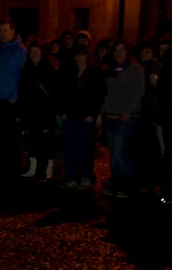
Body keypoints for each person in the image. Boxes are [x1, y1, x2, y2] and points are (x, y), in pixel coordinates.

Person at [101, 40, 145, 197]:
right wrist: (102, 112)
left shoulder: (135, 69)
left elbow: (139, 92)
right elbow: (106, 93)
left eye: (122, 50)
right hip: (109, 116)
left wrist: (128, 111)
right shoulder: (111, 69)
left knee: (120, 153)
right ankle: (116, 183)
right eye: (116, 50)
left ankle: (127, 184)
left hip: (125, 118)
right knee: (113, 154)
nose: (118, 53)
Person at [0, 21, 27, 176]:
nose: (3, 34)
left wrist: (14, 97)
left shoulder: (20, 51)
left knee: (10, 138)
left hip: (9, 101)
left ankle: (10, 170)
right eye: (0, 31)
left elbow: (21, 76)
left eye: (6, 31)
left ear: (12, 31)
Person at [60, 48, 105, 189]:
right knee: (68, 149)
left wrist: (93, 114)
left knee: (83, 149)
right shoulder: (70, 73)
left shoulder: (94, 74)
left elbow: (99, 95)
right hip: (70, 116)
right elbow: (63, 93)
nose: (79, 58)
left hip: (86, 118)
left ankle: (86, 176)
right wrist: (63, 112)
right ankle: (70, 177)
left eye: (82, 55)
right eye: (77, 55)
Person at [18, 42, 60, 179]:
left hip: (45, 112)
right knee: (32, 141)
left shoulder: (49, 70)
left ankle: (47, 169)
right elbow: (23, 92)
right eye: (32, 51)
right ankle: (33, 167)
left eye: (37, 51)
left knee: (46, 142)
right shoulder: (27, 70)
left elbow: (54, 93)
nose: (34, 54)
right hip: (31, 112)